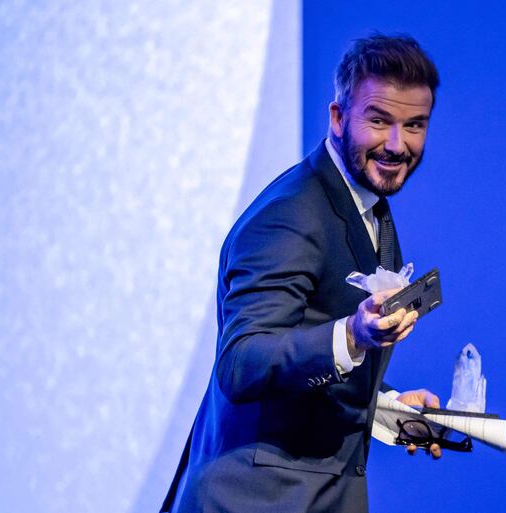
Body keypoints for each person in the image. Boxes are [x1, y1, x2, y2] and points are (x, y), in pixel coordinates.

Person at [161, 34, 442, 513]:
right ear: (337, 118)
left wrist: (388, 408)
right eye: (379, 121)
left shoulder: (367, 203)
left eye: (414, 125)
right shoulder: (291, 214)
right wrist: (352, 334)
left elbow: (310, 349)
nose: (397, 144)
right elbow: (242, 363)